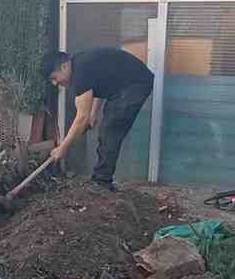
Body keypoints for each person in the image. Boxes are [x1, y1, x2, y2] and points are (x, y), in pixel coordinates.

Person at [41, 47, 154, 190]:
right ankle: (101, 179)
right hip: (127, 86)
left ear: (64, 67)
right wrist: (93, 113)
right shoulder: (80, 64)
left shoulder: (80, 73)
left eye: (54, 77)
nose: (55, 83)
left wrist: (63, 148)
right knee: (109, 126)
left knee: (110, 130)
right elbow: (100, 84)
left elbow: (81, 118)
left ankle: (101, 182)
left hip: (136, 85)